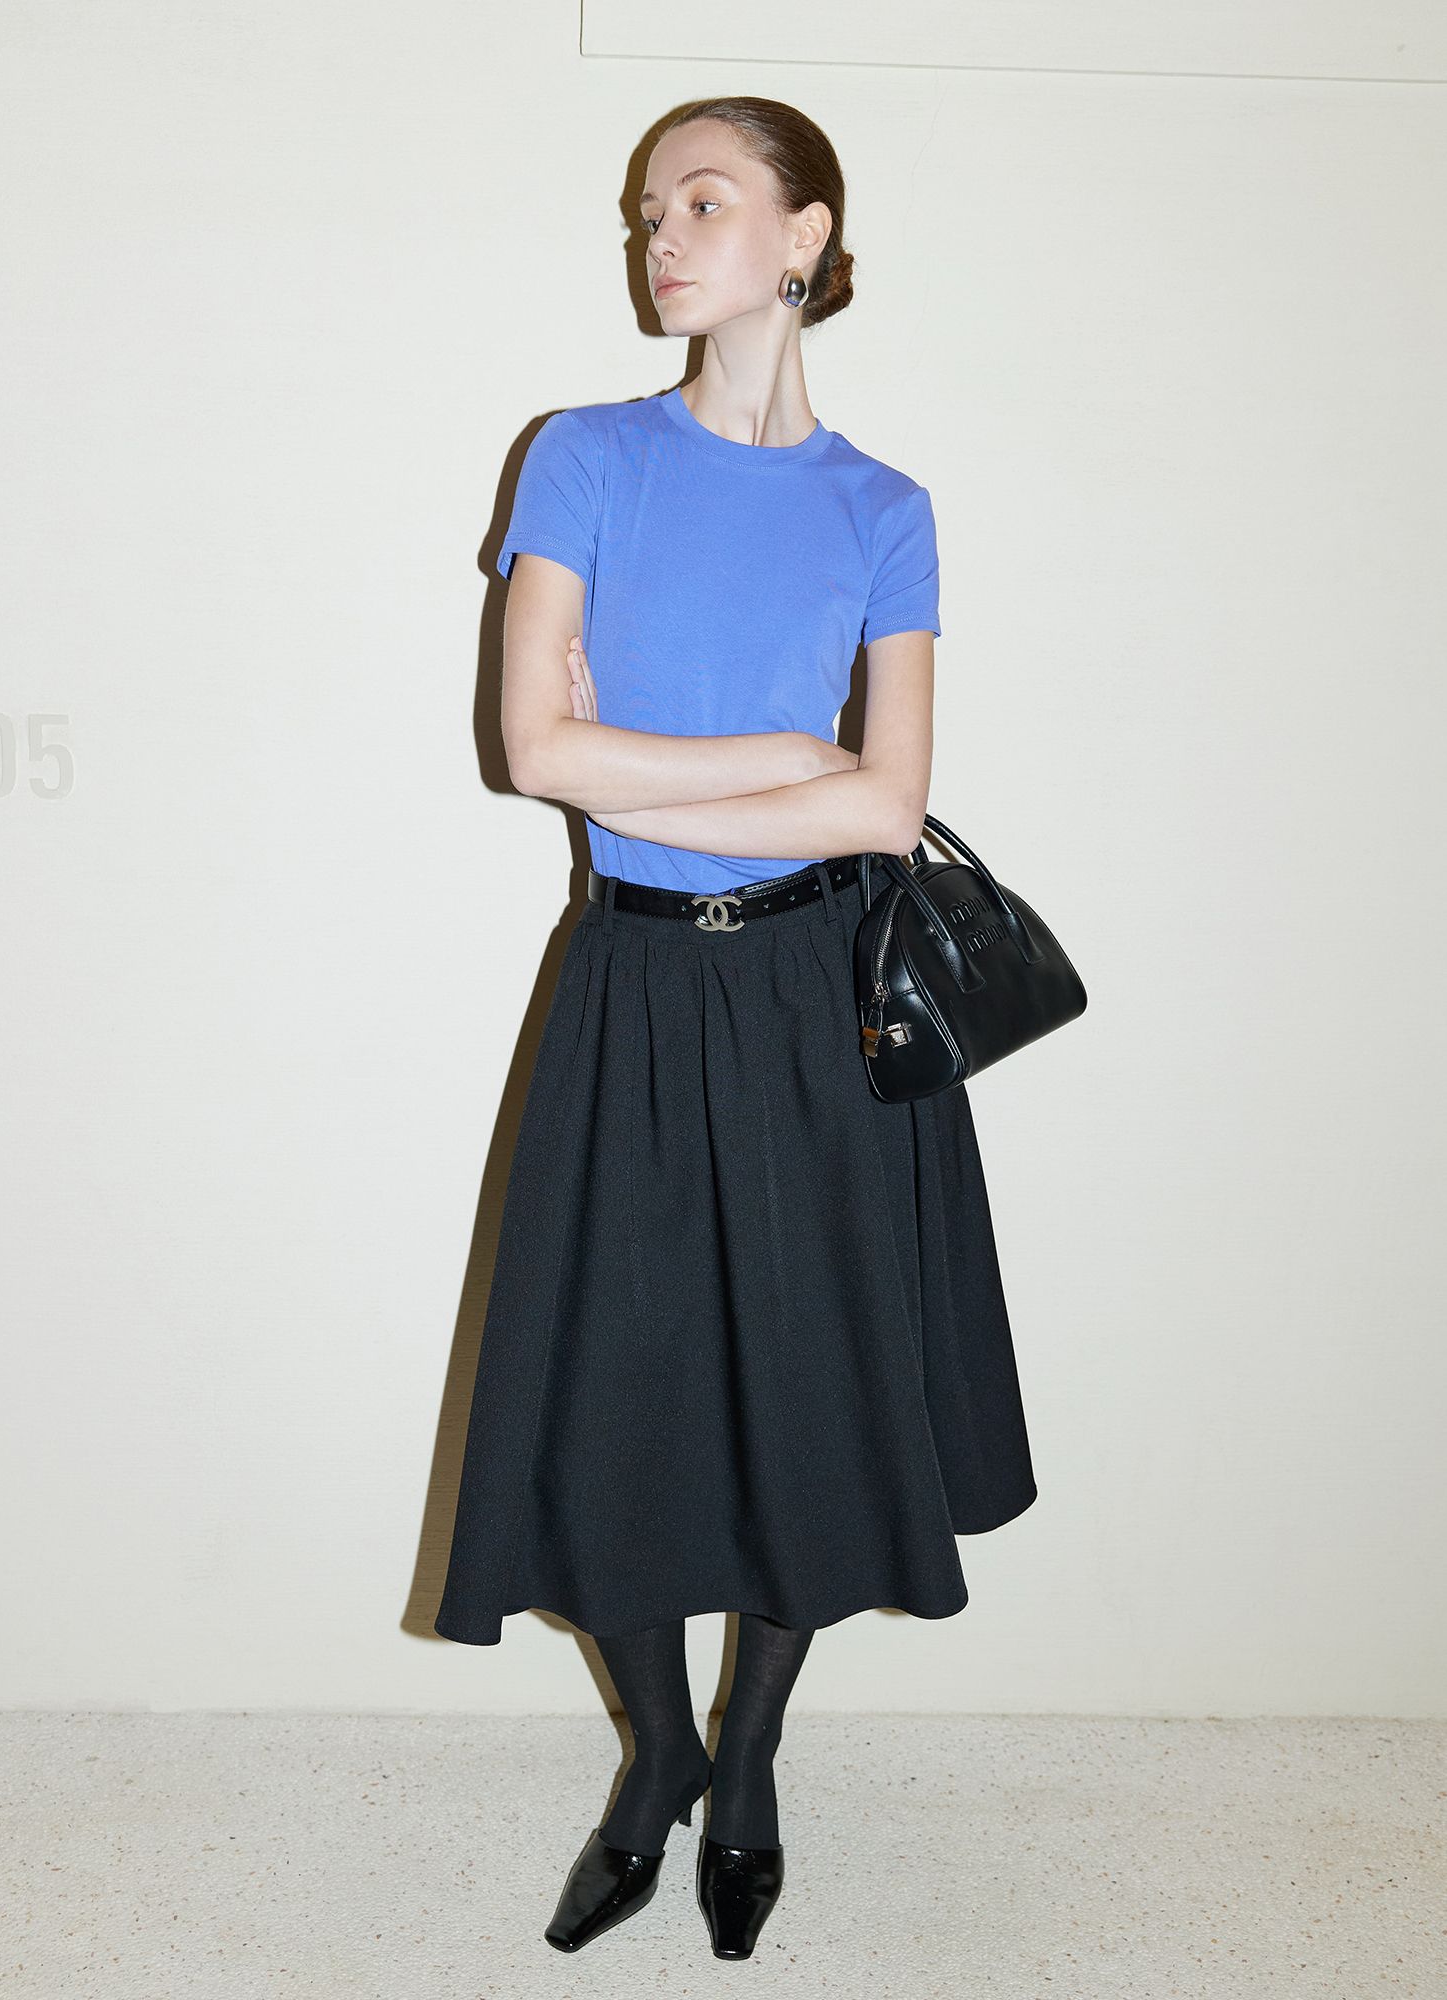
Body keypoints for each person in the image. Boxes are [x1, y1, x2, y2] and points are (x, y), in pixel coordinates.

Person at [434, 95, 1038, 1960]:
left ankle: (752, 1760)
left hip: (814, 992)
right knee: (603, 1388)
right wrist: (787, 755)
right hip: (629, 981)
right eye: (647, 212)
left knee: (811, 1388)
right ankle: (659, 1762)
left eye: (704, 201)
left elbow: (889, 808)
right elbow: (533, 751)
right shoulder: (585, 459)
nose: (664, 238)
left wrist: (676, 764)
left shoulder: (885, 510)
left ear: (805, 237)